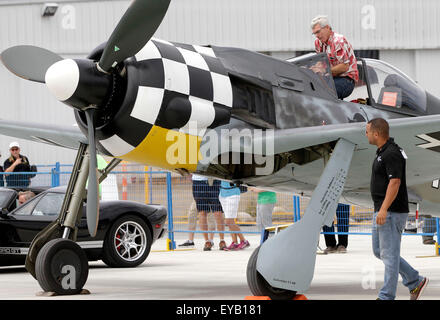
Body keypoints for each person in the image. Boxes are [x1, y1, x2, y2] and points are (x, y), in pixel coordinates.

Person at [366, 118, 428, 300]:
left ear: (376, 133)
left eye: (367, 131)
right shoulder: (383, 151)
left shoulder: (392, 153)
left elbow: (395, 182)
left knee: (389, 256)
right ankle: (415, 280)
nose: (366, 134)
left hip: (391, 212)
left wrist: (384, 209)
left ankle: (386, 296)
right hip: (382, 210)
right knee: (380, 252)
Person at [311, 15, 358, 99]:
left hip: (346, 80)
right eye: (314, 33)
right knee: (310, 88)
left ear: (327, 28)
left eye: (318, 32)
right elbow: (320, 62)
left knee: (321, 92)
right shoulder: (318, 43)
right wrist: (314, 68)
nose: (317, 36)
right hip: (331, 78)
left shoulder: (338, 41)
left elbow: (344, 67)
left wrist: (324, 70)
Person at [187, 174, 226, 251]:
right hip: (198, 182)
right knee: (202, 212)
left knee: (218, 212)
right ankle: (207, 241)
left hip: (214, 181)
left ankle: (222, 240)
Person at [219, 181, 250, 251]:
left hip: (232, 193)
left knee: (229, 221)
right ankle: (235, 242)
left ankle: (244, 241)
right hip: (223, 193)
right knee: (230, 221)